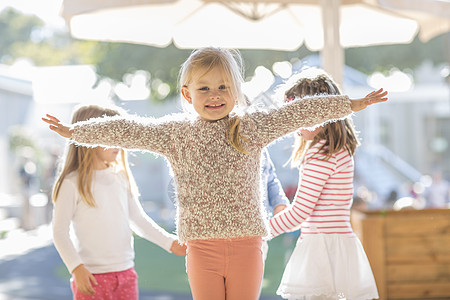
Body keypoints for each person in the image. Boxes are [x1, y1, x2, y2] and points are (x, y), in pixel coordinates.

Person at [42, 47, 387, 300]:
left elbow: (299, 112)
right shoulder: (175, 132)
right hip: (201, 246)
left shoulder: (253, 125)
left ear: (236, 91)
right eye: (204, 88)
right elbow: (128, 129)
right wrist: (77, 132)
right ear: (186, 94)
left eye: (223, 87)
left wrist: (350, 105)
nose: (215, 95)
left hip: (248, 244)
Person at [51, 104, 186, 299]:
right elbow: (59, 232)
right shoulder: (71, 183)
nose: (118, 142)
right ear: (87, 135)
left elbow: (138, 219)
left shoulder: (121, 177)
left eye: (119, 136)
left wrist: (169, 242)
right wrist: (76, 268)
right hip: (90, 277)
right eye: (110, 136)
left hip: (126, 274)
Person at [268, 68, 379, 300]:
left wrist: (261, 231)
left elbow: (300, 212)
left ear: (320, 112)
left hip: (322, 251)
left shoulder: (322, 154)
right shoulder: (339, 149)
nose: (293, 122)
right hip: (337, 247)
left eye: (299, 114)